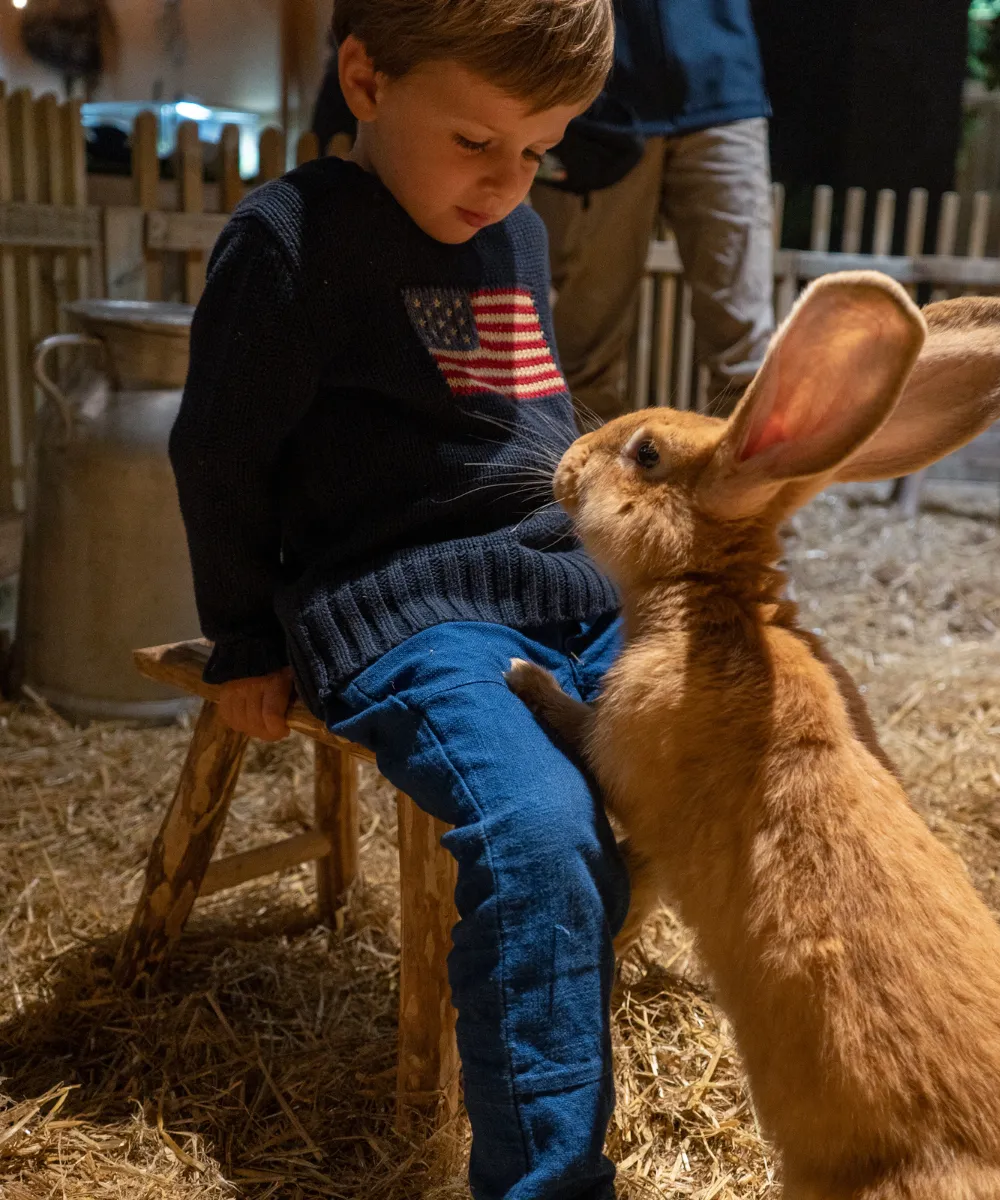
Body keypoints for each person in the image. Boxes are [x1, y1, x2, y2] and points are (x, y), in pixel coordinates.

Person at [168, 2, 630, 1197]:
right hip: (410, 609)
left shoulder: (512, 236)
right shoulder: (289, 242)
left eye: (538, 151)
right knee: (537, 831)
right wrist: (247, 636)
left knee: (776, 719)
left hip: (563, 583)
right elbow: (220, 455)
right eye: (477, 140)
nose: (507, 184)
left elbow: (526, 426)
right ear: (365, 78)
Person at [530, 0, 775, 419]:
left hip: (721, 82)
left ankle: (744, 484)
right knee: (581, 352)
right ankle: (588, 482)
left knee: (748, 356)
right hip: (590, 97)